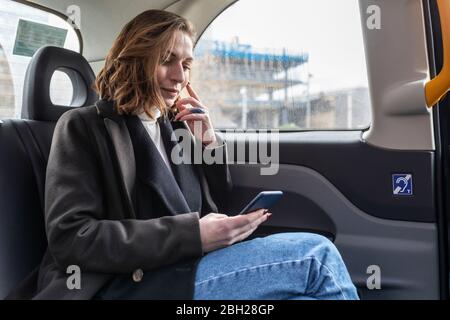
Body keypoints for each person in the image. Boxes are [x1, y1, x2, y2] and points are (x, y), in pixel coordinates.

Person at [9, 9, 359, 300]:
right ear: (134, 60)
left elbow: (205, 204)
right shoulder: (82, 127)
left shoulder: (172, 127)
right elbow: (73, 238)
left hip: (183, 266)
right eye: (166, 61)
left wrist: (209, 145)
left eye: (187, 64)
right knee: (316, 257)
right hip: (123, 284)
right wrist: (193, 235)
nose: (180, 76)